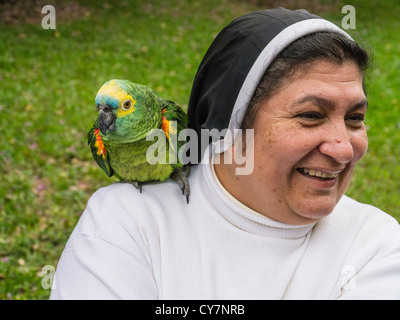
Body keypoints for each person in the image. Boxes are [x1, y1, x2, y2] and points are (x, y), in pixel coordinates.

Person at [51, 8, 400, 299]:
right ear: (228, 122)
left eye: (355, 118)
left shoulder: (375, 245)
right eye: (310, 116)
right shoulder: (126, 221)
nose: (343, 149)